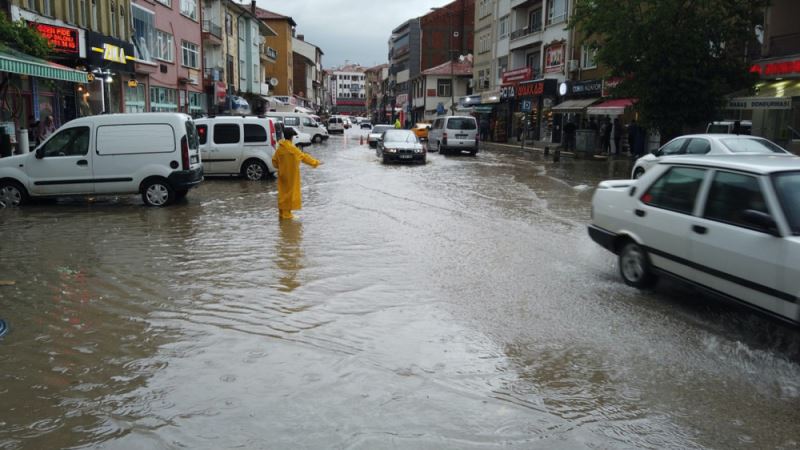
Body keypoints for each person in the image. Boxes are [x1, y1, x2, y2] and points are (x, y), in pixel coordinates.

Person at [271, 127, 321, 220]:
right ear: (292, 137)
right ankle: (287, 215)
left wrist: (282, 167)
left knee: (283, 193)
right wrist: (316, 162)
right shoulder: (292, 149)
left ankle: (282, 213)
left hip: (282, 175)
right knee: (289, 194)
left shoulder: (280, 148)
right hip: (291, 175)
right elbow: (304, 157)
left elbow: (274, 162)